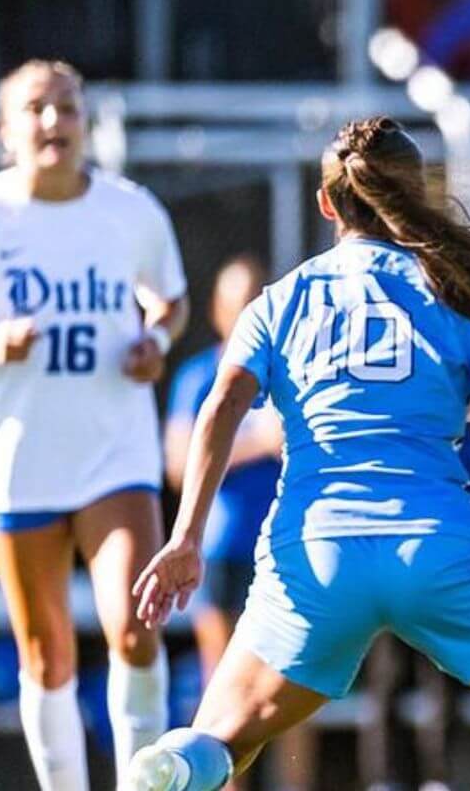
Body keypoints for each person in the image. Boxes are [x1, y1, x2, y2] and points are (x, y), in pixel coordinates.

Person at [125, 117, 470, 791]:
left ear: (327, 204)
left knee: (221, 741)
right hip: (438, 551)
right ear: (419, 194)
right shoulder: (460, 293)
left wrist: (184, 539)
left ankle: (175, 765)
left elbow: (221, 407)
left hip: (317, 556)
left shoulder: (280, 301)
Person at [0, 59, 188, 790]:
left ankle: (141, 782)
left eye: (68, 108)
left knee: (135, 627)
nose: (55, 122)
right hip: (17, 461)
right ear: (6, 130)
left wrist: (159, 341)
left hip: (115, 454)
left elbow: (170, 301)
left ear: (87, 123)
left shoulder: (132, 211)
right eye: (37, 109)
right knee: (44, 653)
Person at [162, 256, 300, 789]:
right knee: (224, 687)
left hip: (287, 550)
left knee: (291, 686)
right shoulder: (199, 376)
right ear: (219, 312)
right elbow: (177, 464)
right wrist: (255, 443)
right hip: (224, 549)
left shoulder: (291, 370)